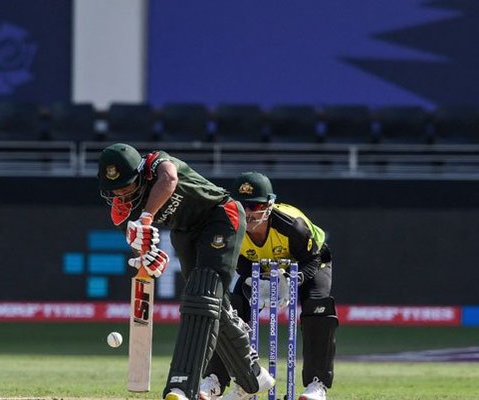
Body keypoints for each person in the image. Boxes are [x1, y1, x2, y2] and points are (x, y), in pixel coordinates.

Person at [97, 143, 275, 400]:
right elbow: (138, 244)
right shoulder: (121, 210)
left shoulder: (156, 164)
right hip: (185, 232)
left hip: (220, 216)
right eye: (115, 191)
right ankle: (253, 376)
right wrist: (147, 257)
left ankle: (182, 386)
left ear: (139, 173)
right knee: (207, 301)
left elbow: (169, 179)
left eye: (126, 187)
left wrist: (146, 217)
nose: (122, 196)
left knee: (202, 297)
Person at [200, 171, 337, 400]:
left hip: (308, 265)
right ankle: (216, 380)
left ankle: (317, 385)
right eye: (243, 206)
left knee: (318, 308)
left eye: (256, 206)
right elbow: (239, 261)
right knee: (229, 310)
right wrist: (253, 279)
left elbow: (312, 258)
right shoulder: (229, 225)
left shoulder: (292, 224)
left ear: (269, 204)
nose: (249, 213)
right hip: (261, 268)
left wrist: (293, 281)